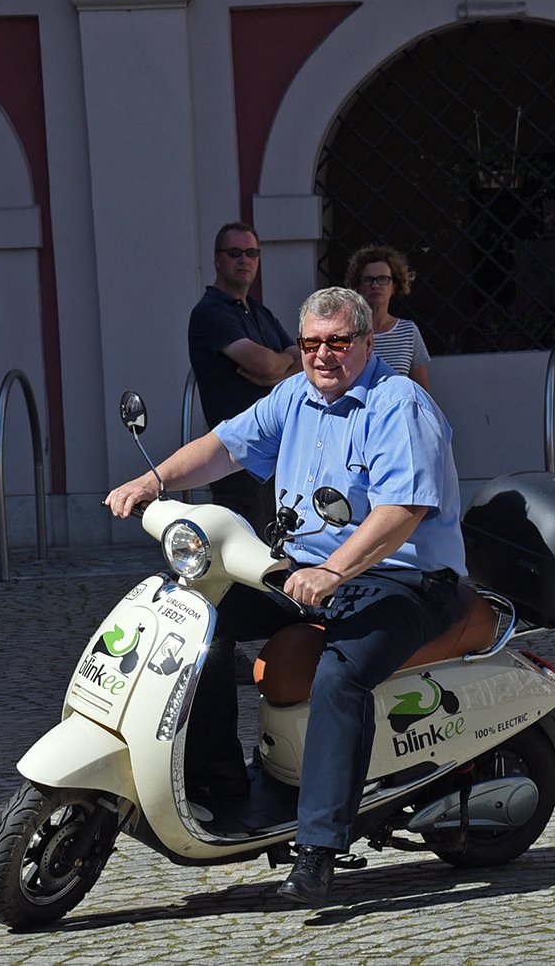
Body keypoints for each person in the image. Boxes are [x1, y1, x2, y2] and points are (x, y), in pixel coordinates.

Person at [105, 286, 467, 906]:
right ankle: (219, 782)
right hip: (306, 570)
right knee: (199, 615)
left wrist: (333, 571)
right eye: (311, 343)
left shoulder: (397, 403)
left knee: (339, 678)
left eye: (338, 342)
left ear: (367, 343)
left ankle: (320, 850)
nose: (324, 355)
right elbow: (224, 447)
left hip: (406, 577)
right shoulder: (293, 396)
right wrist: (153, 478)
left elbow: (404, 511)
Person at [187, 222, 300, 534]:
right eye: (235, 252)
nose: (244, 260)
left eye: (251, 253)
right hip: (237, 459)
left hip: (277, 453)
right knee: (246, 557)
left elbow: (304, 359)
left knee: (278, 551)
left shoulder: (259, 312)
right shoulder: (211, 312)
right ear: (217, 259)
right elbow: (263, 363)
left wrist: (274, 372)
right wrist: (276, 366)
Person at [345, 244, 433, 391]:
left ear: (394, 286)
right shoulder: (347, 333)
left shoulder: (409, 332)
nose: (375, 285)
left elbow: (421, 390)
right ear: (358, 286)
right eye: (368, 279)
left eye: (383, 279)